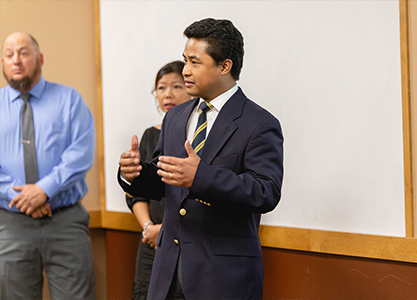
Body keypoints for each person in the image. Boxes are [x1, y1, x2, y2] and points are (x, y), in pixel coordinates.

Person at [118, 18, 283, 300]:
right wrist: (133, 174)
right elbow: (162, 180)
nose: (185, 71)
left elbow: (265, 192)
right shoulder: (176, 117)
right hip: (167, 274)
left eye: (195, 62)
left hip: (222, 278)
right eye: (185, 60)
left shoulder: (259, 123)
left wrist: (201, 177)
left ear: (224, 66)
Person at [0, 31, 96, 299]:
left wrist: (44, 189)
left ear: (39, 58)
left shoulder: (69, 99)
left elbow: (81, 152)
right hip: (10, 224)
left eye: (24, 52)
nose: (16, 60)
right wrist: (20, 195)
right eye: (9, 55)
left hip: (65, 220)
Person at [127, 60, 191, 300]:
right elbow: (137, 192)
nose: (168, 94)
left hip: (186, 240)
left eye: (176, 86)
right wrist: (149, 229)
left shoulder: (198, 136)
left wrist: (166, 230)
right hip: (151, 241)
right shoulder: (150, 135)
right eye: (161, 88)